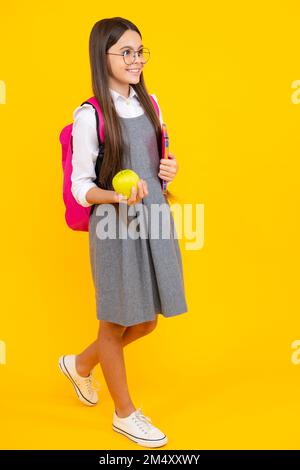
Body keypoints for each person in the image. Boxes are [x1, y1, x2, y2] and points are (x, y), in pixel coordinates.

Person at [59, 17, 188, 448]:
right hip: (115, 227)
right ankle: (125, 414)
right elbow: (81, 189)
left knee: (147, 318)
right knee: (114, 323)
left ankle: (79, 365)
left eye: (139, 51)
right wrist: (117, 198)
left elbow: (159, 162)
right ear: (104, 57)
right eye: (125, 53)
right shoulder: (89, 115)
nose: (135, 60)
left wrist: (167, 172)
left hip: (153, 219)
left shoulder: (150, 102)